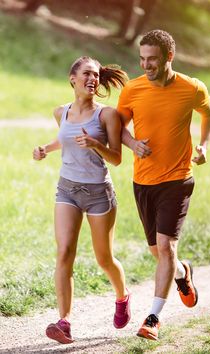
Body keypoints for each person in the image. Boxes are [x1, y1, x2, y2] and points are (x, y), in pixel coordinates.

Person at [117, 29, 210, 341]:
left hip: (178, 179)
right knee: (157, 252)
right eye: (142, 59)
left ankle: (153, 318)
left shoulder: (191, 87)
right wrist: (133, 143)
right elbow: (118, 127)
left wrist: (204, 146)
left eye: (153, 59)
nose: (146, 65)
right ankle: (182, 273)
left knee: (165, 246)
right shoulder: (132, 90)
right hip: (143, 180)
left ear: (168, 57)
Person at [33, 56, 131, 344]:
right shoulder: (60, 112)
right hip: (67, 189)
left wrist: (96, 144)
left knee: (104, 259)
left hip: (99, 193)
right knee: (64, 252)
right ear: (72, 78)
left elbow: (116, 158)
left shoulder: (107, 115)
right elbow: (66, 138)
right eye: (87, 73)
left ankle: (123, 296)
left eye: (97, 75)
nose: (93, 79)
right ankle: (64, 322)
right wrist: (45, 149)